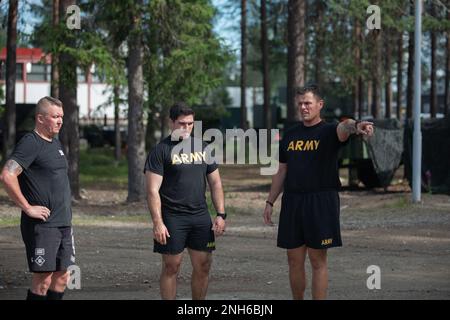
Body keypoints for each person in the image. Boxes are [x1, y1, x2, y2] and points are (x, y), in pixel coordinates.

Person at [263, 84, 374, 300]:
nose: (303, 107)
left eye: (308, 103)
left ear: (320, 105)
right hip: (293, 201)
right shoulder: (291, 133)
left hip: (321, 201)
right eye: (300, 104)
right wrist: (270, 201)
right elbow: (281, 170)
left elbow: (346, 126)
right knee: (293, 260)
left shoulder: (330, 130)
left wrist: (357, 124)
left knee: (317, 261)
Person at [144, 102, 226, 300]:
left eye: (190, 124)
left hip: (200, 216)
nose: (186, 128)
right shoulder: (160, 151)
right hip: (172, 217)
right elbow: (152, 190)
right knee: (172, 266)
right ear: (171, 122)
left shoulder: (203, 148)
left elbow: (215, 183)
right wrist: (158, 222)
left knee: (204, 265)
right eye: (182, 123)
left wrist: (221, 214)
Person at [0, 96, 75, 300]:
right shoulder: (30, 143)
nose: (60, 120)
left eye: (61, 116)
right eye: (54, 116)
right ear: (40, 118)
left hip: (63, 223)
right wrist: (27, 207)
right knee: (42, 281)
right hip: (43, 226)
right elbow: (7, 175)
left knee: (62, 276)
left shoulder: (56, 143)